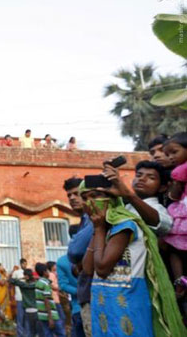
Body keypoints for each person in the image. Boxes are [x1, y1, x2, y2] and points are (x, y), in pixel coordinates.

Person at [80, 180, 186, 337]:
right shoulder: (103, 227)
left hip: (127, 302)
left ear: (111, 198)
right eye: (85, 197)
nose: (90, 201)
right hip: (103, 302)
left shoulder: (125, 225)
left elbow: (101, 269)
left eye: (96, 195)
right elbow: (88, 269)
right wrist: (98, 230)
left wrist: (99, 229)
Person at [63, 177, 92, 337]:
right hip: (83, 294)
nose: (72, 198)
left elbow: (74, 251)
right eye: (69, 195)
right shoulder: (84, 221)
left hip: (91, 293)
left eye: (76, 194)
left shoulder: (91, 219)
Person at [162, 132, 187, 295]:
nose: (171, 157)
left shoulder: (180, 170)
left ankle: (180, 280)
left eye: (174, 152)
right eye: (168, 154)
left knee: (172, 244)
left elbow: (174, 195)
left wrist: (172, 190)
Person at [57, 225, 84, 337]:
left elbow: (63, 285)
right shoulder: (92, 253)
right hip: (84, 306)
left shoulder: (62, 261)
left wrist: (79, 292)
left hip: (78, 307)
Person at [34, 262, 65, 337]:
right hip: (50, 315)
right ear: (44, 272)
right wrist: (50, 318)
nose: (49, 273)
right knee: (61, 333)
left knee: (48, 334)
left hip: (42, 315)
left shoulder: (38, 283)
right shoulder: (46, 284)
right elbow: (46, 300)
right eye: (47, 271)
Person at [10, 269, 38, 337]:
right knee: (34, 330)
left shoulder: (23, 285)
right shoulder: (36, 284)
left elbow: (11, 280)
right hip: (36, 309)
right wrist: (35, 277)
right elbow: (48, 281)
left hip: (27, 309)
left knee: (28, 327)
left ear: (25, 276)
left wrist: (21, 278)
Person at [0, 264, 16, 336]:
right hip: (0, 298)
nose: (3, 267)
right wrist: (7, 277)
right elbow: (2, 283)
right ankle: (2, 332)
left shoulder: (3, 274)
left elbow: (8, 278)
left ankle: (8, 331)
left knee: (8, 314)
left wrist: (13, 270)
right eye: (2, 266)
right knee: (1, 315)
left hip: (6, 298)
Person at [11, 258, 27, 337]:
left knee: (26, 316)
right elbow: (12, 282)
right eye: (24, 264)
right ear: (21, 264)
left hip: (26, 298)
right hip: (19, 296)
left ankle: (26, 333)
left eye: (26, 264)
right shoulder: (16, 272)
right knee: (20, 316)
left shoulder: (27, 272)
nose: (25, 265)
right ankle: (20, 334)